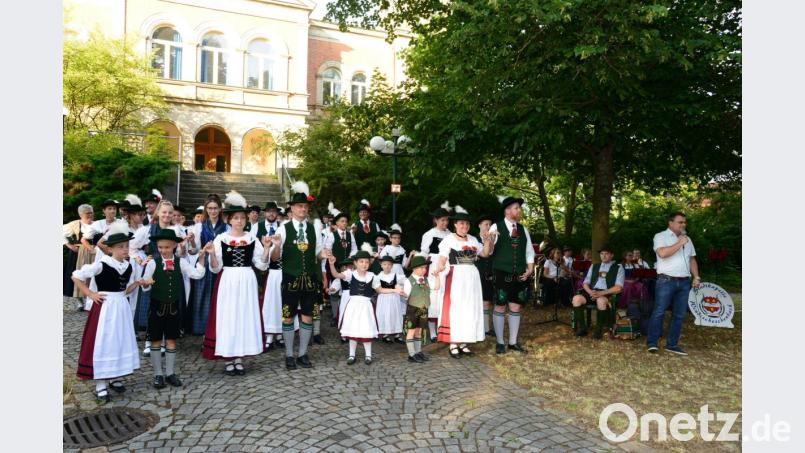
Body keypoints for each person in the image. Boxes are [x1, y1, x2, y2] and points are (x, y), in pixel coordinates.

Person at [72, 222, 145, 403]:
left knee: (119, 340)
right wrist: (90, 293)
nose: (125, 250)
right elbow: (76, 276)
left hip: (121, 307)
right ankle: (101, 385)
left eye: (126, 246)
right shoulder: (102, 264)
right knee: (105, 342)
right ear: (111, 248)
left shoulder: (128, 266)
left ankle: (115, 376)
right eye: (120, 247)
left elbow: (125, 290)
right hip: (105, 308)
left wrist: (137, 283)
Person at [201, 191, 271, 375]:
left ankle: (239, 358)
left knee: (243, 317)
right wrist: (212, 254)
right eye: (236, 218)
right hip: (229, 281)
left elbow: (262, 265)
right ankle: (228, 358)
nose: (240, 221)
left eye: (242, 218)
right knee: (229, 317)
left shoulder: (251, 239)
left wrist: (267, 248)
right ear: (229, 220)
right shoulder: (221, 239)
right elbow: (215, 268)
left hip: (247, 281)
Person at [267, 181, 329, 370]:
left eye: (305, 206)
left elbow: (318, 254)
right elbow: (275, 258)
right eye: (299, 206)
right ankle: (288, 355)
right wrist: (276, 246)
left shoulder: (314, 229)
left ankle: (302, 354)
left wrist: (324, 255)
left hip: (310, 280)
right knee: (288, 317)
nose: (303, 209)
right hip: (290, 279)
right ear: (291, 209)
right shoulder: (283, 228)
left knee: (308, 316)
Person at [139, 229, 207, 388]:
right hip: (156, 307)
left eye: (167, 247)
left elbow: (197, 274)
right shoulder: (152, 263)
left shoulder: (181, 262)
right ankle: (157, 374)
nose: (163, 250)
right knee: (155, 340)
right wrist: (146, 285)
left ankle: (170, 373)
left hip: (174, 308)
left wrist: (201, 259)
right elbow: (145, 287)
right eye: (160, 247)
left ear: (174, 246)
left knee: (171, 340)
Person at [329, 245, 405, 365]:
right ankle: (351, 355)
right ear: (355, 262)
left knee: (366, 329)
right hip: (353, 305)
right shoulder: (350, 274)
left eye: (366, 262)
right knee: (353, 330)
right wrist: (332, 264)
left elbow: (380, 290)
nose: (364, 264)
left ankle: (368, 355)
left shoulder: (372, 276)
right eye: (361, 261)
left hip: (366, 306)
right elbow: (336, 275)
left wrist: (394, 290)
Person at [431, 206, 491, 358]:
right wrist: (438, 269)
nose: (464, 226)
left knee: (469, 308)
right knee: (456, 309)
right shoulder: (448, 240)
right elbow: (442, 259)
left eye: (467, 224)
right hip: (456, 277)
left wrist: (487, 240)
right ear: (455, 225)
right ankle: (453, 343)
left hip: (472, 276)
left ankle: (464, 342)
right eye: (461, 223)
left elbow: (484, 253)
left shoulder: (473, 239)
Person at [647, 212, 700, 355]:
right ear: (670, 223)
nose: (683, 224)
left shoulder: (688, 240)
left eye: (684, 222)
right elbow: (662, 253)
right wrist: (680, 243)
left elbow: (692, 260)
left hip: (684, 282)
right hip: (666, 281)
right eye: (680, 222)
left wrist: (696, 276)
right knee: (659, 312)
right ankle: (652, 343)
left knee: (679, 314)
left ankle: (672, 344)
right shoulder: (660, 236)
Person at [488, 196, 535, 354]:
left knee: (515, 306)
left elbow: (529, 251)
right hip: (501, 271)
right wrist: (489, 239)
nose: (519, 210)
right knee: (500, 306)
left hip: (520, 273)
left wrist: (530, 269)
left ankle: (513, 342)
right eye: (516, 208)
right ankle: (500, 342)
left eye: (519, 208)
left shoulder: (523, 229)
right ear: (507, 211)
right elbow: (489, 251)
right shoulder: (495, 227)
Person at [189, 194, 229, 336]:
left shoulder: (226, 227)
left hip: (220, 263)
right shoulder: (199, 226)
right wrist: (193, 242)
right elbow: (193, 250)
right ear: (206, 209)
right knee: (203, 297)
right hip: (204, 263)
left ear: (220, 209)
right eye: (210, 208)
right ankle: (202, 328)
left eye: (215, 208)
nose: (213, 211)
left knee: (219, 296)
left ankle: (219, 328)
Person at [571, 244, 624, 339]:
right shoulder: (594, 266)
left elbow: (618, 288)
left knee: (600, 300)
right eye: (602, 254)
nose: (603, 256)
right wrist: (590, 292)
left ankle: (598, 331)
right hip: (592, 292)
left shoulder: (618, 268)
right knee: (576, 299)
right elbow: (585, 283)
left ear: (612, 255)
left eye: (606, 254)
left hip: (607, 294)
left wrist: (601, 293)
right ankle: (583, 329)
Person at [253, 201, 284, 350]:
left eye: (274, 211)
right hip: (261, 270)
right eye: (269, 211)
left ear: (277, 213)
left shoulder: (282, 228)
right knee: (265, 303)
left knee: (278, 302)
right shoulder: (256, 227)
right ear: (265, 213)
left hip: (278, 270)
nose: (271, 214)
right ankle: (266, 333)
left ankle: (279, 334)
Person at [420, 202, 452, 340]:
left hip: (447, 265)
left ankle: (443, 328)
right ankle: (433, 332)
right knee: (434, 296)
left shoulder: (450, 234)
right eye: (442, 220)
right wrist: (422, 270)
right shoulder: (429, 234)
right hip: (433, 266)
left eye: (447, 220)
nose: (445, 222)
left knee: (445, 296)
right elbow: (423, 253)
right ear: (436, 220)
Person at [322, 203, 357, 327]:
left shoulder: (350, 235)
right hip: (335, 266)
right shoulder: (331, 235)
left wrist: (349, 261)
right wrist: (334, 260)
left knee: (346, 290)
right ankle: (335, 315)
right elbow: (327, 249)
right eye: (342, 221)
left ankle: (346, 313)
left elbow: (354, 249)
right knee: (335, 291)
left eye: (346, 221)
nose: (344, 223)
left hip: (347, 266)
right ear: (336, 223)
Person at [402, 254, 439, 363]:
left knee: (419, 331)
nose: (424, 270)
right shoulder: (409, 281)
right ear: (414, 268)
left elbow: (436, 287)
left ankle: (418, 352)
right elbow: (406, 297)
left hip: (423, 309)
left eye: (425, 267)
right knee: (411, 331)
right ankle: (411, 354)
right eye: (421, 268)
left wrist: (437, 277)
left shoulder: (426, 280)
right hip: (413, 309)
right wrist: (401, 292)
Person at [63, 204, 95, 305]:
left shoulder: (96, 224)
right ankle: (80, 301)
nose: (90, 215)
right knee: (79, 275)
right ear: (81, 214)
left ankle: (90, 299)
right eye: (87, 213)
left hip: (94, 252)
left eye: (91, 213)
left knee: (92, 275)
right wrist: (70, 246)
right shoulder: (74, 224)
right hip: (79, 254)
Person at [375, 255, 405, 343]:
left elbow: (405, 282)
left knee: (394, 315)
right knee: (385, 315)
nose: (387, 266)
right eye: (384, 264)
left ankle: (397, 335)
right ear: (381, 265)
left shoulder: (396, 276)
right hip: (383, 299)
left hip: (394, 300)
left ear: (392, 266)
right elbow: (379, 290)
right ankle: (385, 334)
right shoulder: (378, 277)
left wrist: (401, 289)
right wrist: (394, 290)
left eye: (389, 264)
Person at [475, 214, 496, 336]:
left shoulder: (493, 239)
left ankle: (486, 329)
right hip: (477, 274)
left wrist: (491, 240)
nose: (488, 226)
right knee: (476, 302)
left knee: (487, 302)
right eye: (485, 224)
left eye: (489, 224)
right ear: (479, 225)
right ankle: (477, 328)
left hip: (489, 275)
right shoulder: (473, 240)